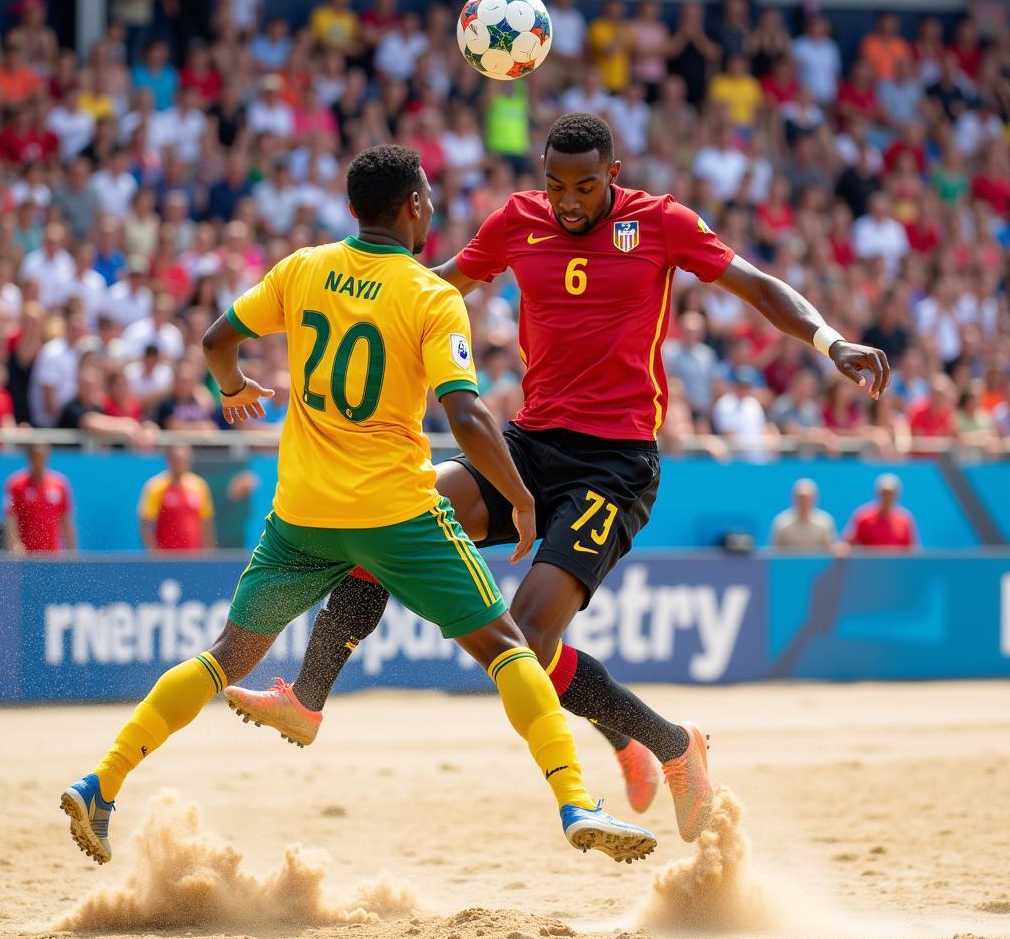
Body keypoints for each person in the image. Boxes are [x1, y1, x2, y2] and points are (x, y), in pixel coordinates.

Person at [227, 113, 890, 832]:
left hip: (614, 463)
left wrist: (831, 342)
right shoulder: (517, 221)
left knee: (531, 638)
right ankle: (309, 698)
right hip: (530, 443)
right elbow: (434, 283)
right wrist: (348, 288)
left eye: (583, 186)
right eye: (554, 185)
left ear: (614, 172)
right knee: (392, 513)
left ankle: (670, 745)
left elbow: (757, 286)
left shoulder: (661, 224)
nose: (567, 201)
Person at [61, 143, 656, 868]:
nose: (434, 208)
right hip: (397, 514)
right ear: (412, 206)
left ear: (353, 209)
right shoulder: (429, 296)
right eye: (430, 197)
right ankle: (573, 799)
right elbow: (466, 418)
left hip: (302, 515)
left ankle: (103, 781)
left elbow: (218, 341)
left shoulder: (303, 268)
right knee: (507, 649)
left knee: (225, 657)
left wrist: (234, 389)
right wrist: (521, 498)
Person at [139, 445, 214, 551]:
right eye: (177, 459)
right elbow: (145, 525)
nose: (181, 462)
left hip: (194, 559)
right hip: (166, 559)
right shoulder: (155, 487)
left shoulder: (199, 485)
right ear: (169, 459)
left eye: (185, 458)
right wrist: (155, 555)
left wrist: (207, 554)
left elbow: (206, 524)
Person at [3, 443, 76, 554]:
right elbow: (11, 518)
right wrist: (15, 543)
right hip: (26, 555)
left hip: (52, 555)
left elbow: (66, 520)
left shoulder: (60, 484)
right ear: (29, 457)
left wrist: (72, 550)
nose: (39, 462)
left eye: (42, 457)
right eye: (35, 457)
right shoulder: (16, 484)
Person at [844, 473, 918, 549]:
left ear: (897, 495)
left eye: (891, 494)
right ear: (877, 493)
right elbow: (847, 544)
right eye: (884, 493)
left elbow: (912, 551)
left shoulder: (905, 520)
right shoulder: (863, 517)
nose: (887, 497)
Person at [770, 479, 841, 551]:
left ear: (815, 498)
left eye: (807, 498)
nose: (804, 502)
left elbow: (832, 550)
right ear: (793, 498)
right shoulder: (781, 522)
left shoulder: (825, 521)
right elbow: (774, 554)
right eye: (800, 498)